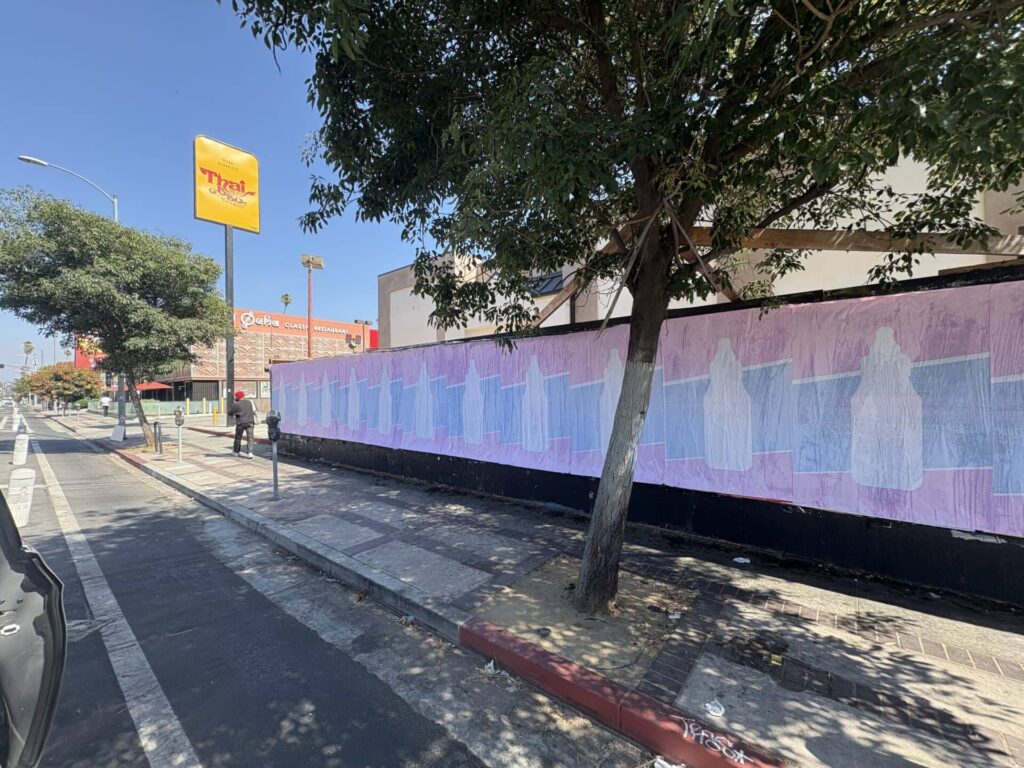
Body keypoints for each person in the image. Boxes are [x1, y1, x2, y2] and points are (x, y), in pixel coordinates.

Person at [227, 390, 256, 458]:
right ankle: (250, 453)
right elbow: (253, 410)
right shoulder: (249, 402)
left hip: (240, 423)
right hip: (250, 422)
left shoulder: (236, 404)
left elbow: (229, 412)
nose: (235, 397)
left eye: (235, 396)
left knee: (238, 438)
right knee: (250, 438)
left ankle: (236, 452)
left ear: (237, 397)